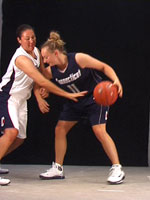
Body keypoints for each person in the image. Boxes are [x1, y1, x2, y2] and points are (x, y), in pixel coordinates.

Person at [0, 24, 87, 186]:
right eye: (27, 38)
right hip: (7, 97)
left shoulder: (37, 53)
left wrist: (40, 96)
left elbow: (42, 76)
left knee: (19, 138)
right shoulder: (21, 58)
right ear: (19, 40)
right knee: (11, 132)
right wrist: (67, 94)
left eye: (33, 37)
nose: (31, 41)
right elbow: (39, 80)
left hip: (22, 100)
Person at [37, 31, 125, 184]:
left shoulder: (78, 59)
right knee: (60, 129)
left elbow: (104, 67)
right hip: (75, 102)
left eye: (46, 57)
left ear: (56, 53)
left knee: (99, 130)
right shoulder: (52, 71)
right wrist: (43, 93)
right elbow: (40, 83)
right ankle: (57, 168)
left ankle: (117, 168)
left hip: (95, 98)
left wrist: (116, 79)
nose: (44, 61)